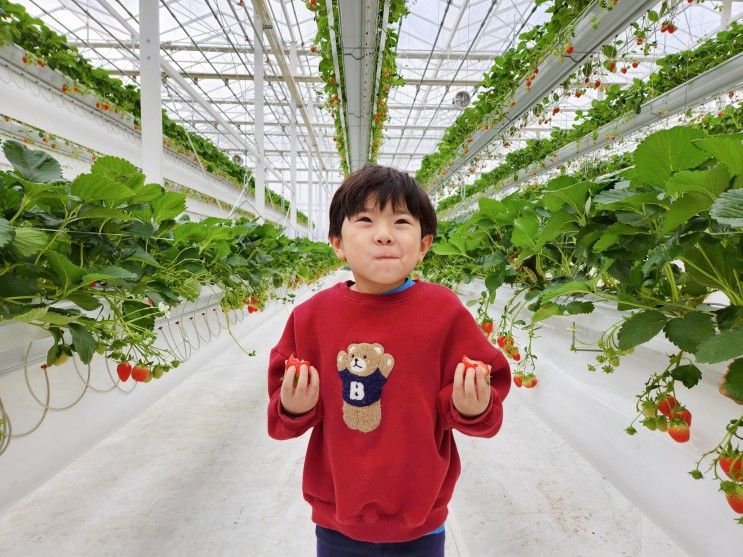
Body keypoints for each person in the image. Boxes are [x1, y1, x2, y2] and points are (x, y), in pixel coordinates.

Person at [267, 165, 511, 556]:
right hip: (338, 517)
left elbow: (486, 403)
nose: (383, 234)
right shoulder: (312, 317)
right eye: (364, 220)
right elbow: (282, 418)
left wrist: (472, 405)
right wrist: (294, 407)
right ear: (337, 243)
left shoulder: (443, 312)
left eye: (401, 221)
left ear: (424, 244)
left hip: (421, 519)